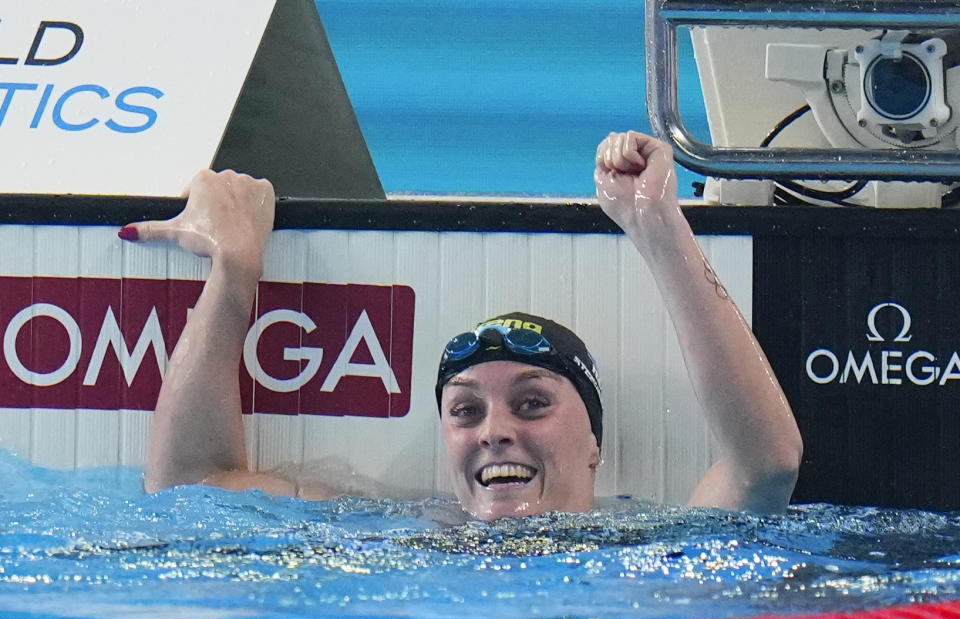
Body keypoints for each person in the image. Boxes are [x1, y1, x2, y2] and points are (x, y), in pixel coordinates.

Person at [124, 131, 802, 520]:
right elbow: (187, 486)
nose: (495, 430)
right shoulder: (393, 537)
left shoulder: (651, 544)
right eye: (466, 410)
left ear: (595, 441)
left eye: (532, 402)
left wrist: (657, 223)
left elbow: (766, 465)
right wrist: (233, 272)